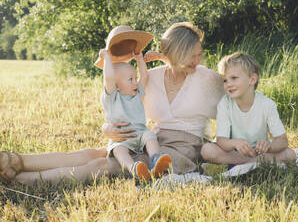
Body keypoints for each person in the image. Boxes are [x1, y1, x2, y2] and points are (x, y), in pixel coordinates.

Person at [1, 22, 225, 184]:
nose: (198, 61)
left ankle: (21, 180)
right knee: (94, 153)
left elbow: (237, 111)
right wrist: (106, 128)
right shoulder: (153, 77)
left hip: (181, 150)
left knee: (105, 166)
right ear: (174, 54)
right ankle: (16, 160)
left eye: (199, 54)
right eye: (191, 56)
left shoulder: (206, 79)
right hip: (152, 139)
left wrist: (227, 148)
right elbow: (124, 107)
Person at [201, 52, 297, 166]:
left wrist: (269, 146)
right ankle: (252, 163)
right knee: (207, 150)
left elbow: (282, 140)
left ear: (252, 79)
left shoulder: (267, 104)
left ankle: (251, 162)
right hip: (233, 153)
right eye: (225, 80)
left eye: (234, 78)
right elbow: (221, 141)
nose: (228, 84)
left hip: (259, 152)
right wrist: (235, 143)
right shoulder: (224, 104)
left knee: (290, 154)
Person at [99, 45, 171, 181]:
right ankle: (134, 169)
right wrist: (107, 58)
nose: (135, 82)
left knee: (150, 136)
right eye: (130, 79)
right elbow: (108, 78)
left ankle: (156, 160)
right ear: (116, 85)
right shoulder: (112, 97)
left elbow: (144, 76)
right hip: (123, 138)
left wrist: (139, 59)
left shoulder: (137, 93)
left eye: (134, 78)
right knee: (118, 150)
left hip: (140, 133)